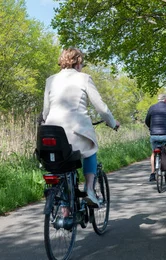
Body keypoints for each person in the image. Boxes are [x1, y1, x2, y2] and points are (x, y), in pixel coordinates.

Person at [42, 47, 120, 206]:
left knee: (62, 166)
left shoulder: (50, 80)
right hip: (76, 130)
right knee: (91, 149)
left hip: (52, 132)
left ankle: (65, 208)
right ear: (78, 63)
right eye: (82, 63)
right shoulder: (84, 78)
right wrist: (112, 122)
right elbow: (101, 107)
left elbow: (45, 111)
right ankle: (90, 190)